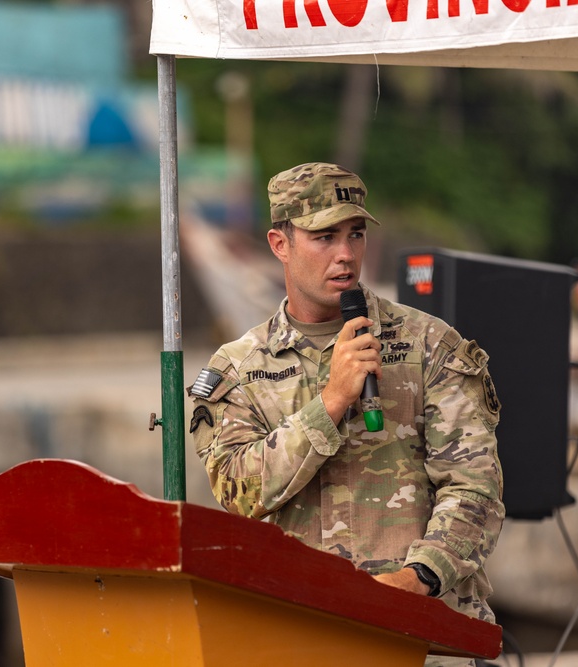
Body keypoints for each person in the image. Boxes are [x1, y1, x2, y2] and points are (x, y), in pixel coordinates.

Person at [188, 163, 504, 665]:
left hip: (428, 636)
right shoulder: (238, 368)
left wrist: (417, 578)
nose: (345, 254)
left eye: (355, 234)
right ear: (279, 244)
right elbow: (237, 492)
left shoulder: (430, 344)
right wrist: (330, 402)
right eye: (324, 236)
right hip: (304, 636)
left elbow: (475, 487)